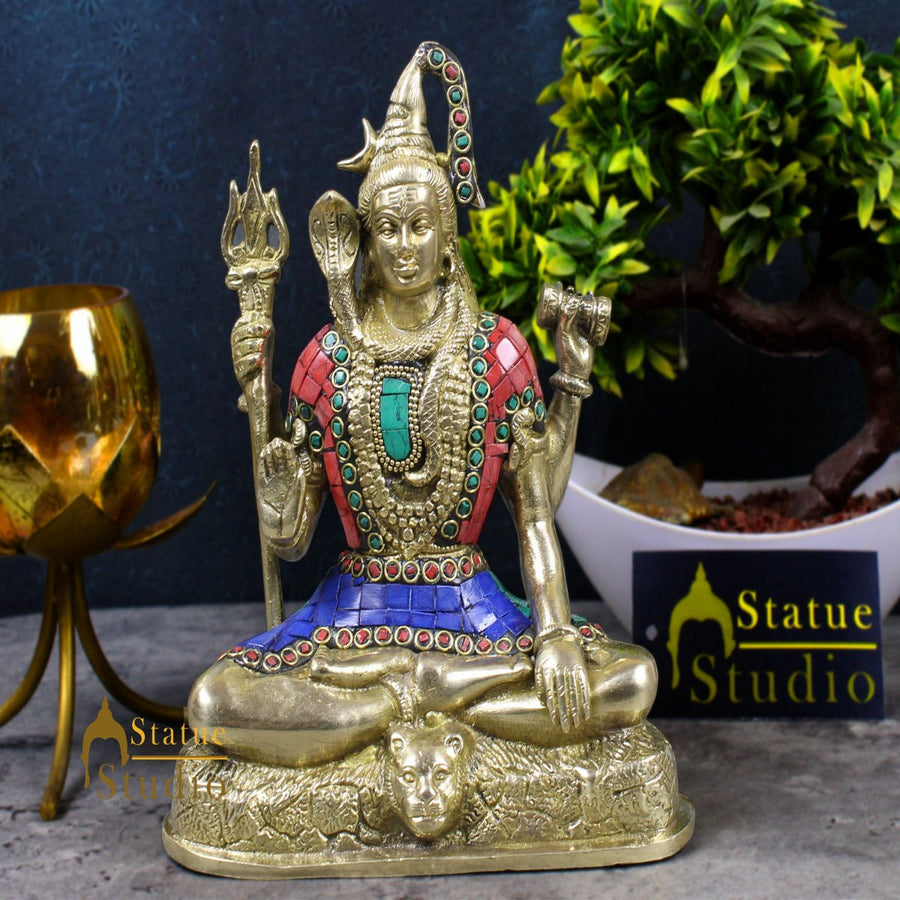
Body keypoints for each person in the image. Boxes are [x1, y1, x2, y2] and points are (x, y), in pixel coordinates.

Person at [188, 42, 656, 768]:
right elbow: (290, 543)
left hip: (473, 612)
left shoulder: (497, 350)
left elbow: (536, 513)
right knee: (217, 701)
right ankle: (431, 699)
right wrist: (274, 471)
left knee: (629, 680)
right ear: (362, 242)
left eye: (420, 226)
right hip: (354, 617)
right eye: (387, 229)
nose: (404, 247)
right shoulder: (326, 359)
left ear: (447, 235)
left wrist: (557, 634)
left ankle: (394, 703)